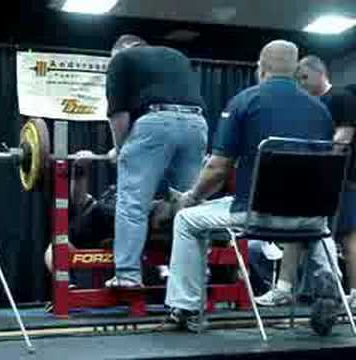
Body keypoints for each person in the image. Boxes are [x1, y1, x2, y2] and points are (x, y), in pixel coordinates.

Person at [164, 40, 339, 336]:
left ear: (262, 67)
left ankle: (185, 308)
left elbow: (218, 168)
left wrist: (192, 197)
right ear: (296, 70)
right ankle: (329, 284)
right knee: (317, 227)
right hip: (310, 218)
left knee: (186, 220)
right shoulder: (320, 110)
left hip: (259, 215)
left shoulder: (245, 101)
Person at [104, 34, 209, 288]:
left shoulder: (121, 59)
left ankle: (127, 275)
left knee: (132, 203)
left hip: (155, 121)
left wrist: (121, 150)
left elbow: (118, 115)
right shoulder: (176, 56)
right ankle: (198, 271)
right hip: (197, 124)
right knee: (191, 202)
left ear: (119, 50)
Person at [256, 56, 356, 307]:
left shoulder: (341, 97)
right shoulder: (311, 105)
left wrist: (322, 169)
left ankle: (355, 294)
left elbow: (342, 138)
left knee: (348, 237)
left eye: (302, 79)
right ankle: (284, 288)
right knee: (294, 230)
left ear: (316, 74)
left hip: (341, 179)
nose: (300, 85)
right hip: (314, 179)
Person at [44, 151, 180, 277]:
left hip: (133, 227)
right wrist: (79, 167)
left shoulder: (149, 187)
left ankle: (164, 266)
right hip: (105, 231)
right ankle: (65, 286)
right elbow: (79, 200)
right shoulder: (111, 196)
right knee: (56, 247)